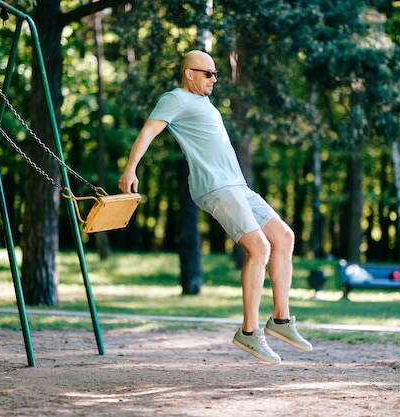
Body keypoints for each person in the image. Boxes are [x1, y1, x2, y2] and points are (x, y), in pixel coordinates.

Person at [118, 50, 312, 364]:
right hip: (215, 186)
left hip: (237, 186)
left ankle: (280, 320)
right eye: (207, 73)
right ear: (189, 74)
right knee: (259, 248)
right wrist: (130, 169)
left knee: (284, 237)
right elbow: (148, 132)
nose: (214, 79)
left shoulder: (203, 102)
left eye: (216, 73)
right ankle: (249, 333)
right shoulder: (175, 98)